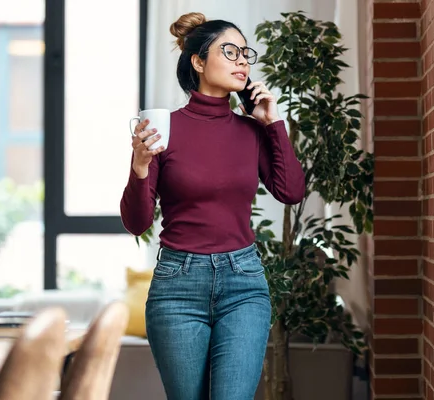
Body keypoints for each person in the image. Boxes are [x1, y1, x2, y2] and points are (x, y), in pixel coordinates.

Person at [120, 11, 305, 400]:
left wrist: (273, 123)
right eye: (230, 51)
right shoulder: (162, 128)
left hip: (244, 284)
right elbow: (137, 223)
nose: (242, 60)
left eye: (245, 53)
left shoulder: (252, 130)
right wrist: (139, 166)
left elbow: (290, 191)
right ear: (199, 61)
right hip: (177, 287)